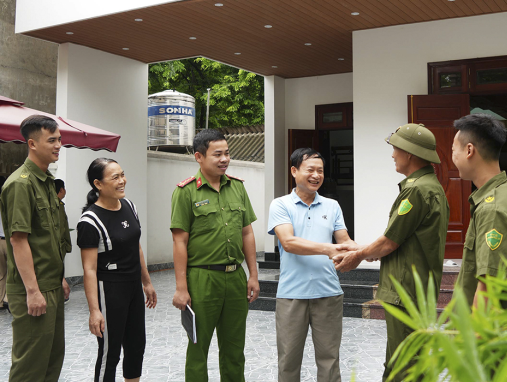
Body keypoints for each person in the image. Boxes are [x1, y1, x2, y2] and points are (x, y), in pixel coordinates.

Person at [333, 123, 449, 381]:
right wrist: (362, 248)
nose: (393, 154)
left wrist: (357, 256)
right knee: (406, 358)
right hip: (415, 287)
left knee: (404, 363)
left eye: (395, 148)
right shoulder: (429, 186)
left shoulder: (417, 189)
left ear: (409, 153)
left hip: (406, 290)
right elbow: (402, 239)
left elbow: (389, 242)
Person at [170, 129, 259, 381]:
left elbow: (247, 233)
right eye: (217, 154)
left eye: (227, 153)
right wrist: (181, 288)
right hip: (202, 279)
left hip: (235, 278)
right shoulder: (186, 192)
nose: (224, 159)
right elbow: (179, 240)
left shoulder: (238, 188)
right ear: (199, 156)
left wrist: (252, 275)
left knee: (234, 349)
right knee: (198, 349)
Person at [268, 148, 356, 382]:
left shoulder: (332, 206)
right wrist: (328, 249)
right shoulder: (280, 205)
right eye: (311, 170)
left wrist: (365, 250)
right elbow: (288, 242)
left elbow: (344, 241)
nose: (316, 175)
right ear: (294, 171)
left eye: (320, 171)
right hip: (291, 294)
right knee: (288, 361)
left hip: (328, 292)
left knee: (329, 360)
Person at [0, 115, 68, 381]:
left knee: (52, 358)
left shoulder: (47, 182)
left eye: (59, 139)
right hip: (34, 287)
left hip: (50, 283)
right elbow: (19, 240)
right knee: (30, 365)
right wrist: (32, 291)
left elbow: (47, 239)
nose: (58, 145)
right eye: (51, 140)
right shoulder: (20, 183)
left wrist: (60, 277)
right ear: (32, 144)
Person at [77, 158, 157, 382]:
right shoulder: (90, 221)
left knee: (135, 348)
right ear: (98, 184)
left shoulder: (129, 206)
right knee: (109, 354)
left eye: (122, 174)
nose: (122, 181)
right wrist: (94, 310)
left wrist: (147, 282)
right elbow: (89, 269)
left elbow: (136, 247)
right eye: (115, 177)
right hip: (110, 290)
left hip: (133, 287)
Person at [451, 114, 507, 309]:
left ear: (469, 150)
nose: (452, 157)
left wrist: (473, 339)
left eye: (454, 150)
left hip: (492, 336)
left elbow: (488, 289)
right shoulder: (502, 194)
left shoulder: (493, 208)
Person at [54, 178, 72, 303]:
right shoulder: (57, 205)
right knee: (58, 270)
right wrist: (64, 245)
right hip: (58, 245)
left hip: (59, 245)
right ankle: (61, 295)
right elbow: (61, 229)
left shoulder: (58, 204)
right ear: (61, 189)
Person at [0, 176, 8, 311]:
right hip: (9, 241)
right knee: (13, 272)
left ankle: (0, 301)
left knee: (1, 273)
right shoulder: (7, 201)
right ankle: (8, 299)